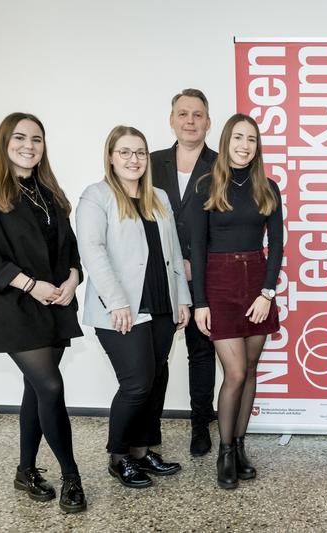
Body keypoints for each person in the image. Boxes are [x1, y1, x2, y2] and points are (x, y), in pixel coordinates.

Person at [0, 112, 87, 513]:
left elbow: (69, 248)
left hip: (55, 304)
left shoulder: (49, 192)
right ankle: (72, 477)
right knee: (50, 387)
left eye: (37, 139)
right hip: (14, 306)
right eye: (20, 137)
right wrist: (31, 285)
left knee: (36, 391)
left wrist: (72, 278)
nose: (29, 145)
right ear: (4, 141)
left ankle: (25, 470)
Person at [76, 126, 190, 488]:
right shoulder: (97, 196)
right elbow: (92, 251)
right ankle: (119, 455)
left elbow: (172, 254)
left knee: (156, 380)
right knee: (137, 383)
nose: (133, 159)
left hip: (160, 304)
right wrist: (117, 301)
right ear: (111, 156)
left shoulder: (158, 197)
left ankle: (142, 451)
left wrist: (183, 299)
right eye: (124, 152)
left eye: (139, 152)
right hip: (122, 308)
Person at [189, 113, 282, 490]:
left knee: (251, 370)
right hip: (219, 285)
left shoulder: (268, 187)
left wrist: (267, 292)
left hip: (256, 286)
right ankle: (225, 451)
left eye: (252, 140)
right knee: (236, 373)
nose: (245, 145)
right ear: (226, 140)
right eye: (238, 138)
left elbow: (275, 244)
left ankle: (241, 447)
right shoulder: (206, 186)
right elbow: (196, 248)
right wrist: (200, 303)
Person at [151, 89, 218, 456]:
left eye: (197, 115)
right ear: (172, 120)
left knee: (201, 352)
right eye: (183, 114)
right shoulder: (150, 162)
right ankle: (148, 433)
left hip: (204, 276)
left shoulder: (222, 164)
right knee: (154, 355)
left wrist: (197, 262)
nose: (190, 121)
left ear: (208, 121)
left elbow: (224, 223)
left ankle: (200, 426)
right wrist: (174, 264)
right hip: (158, 275)